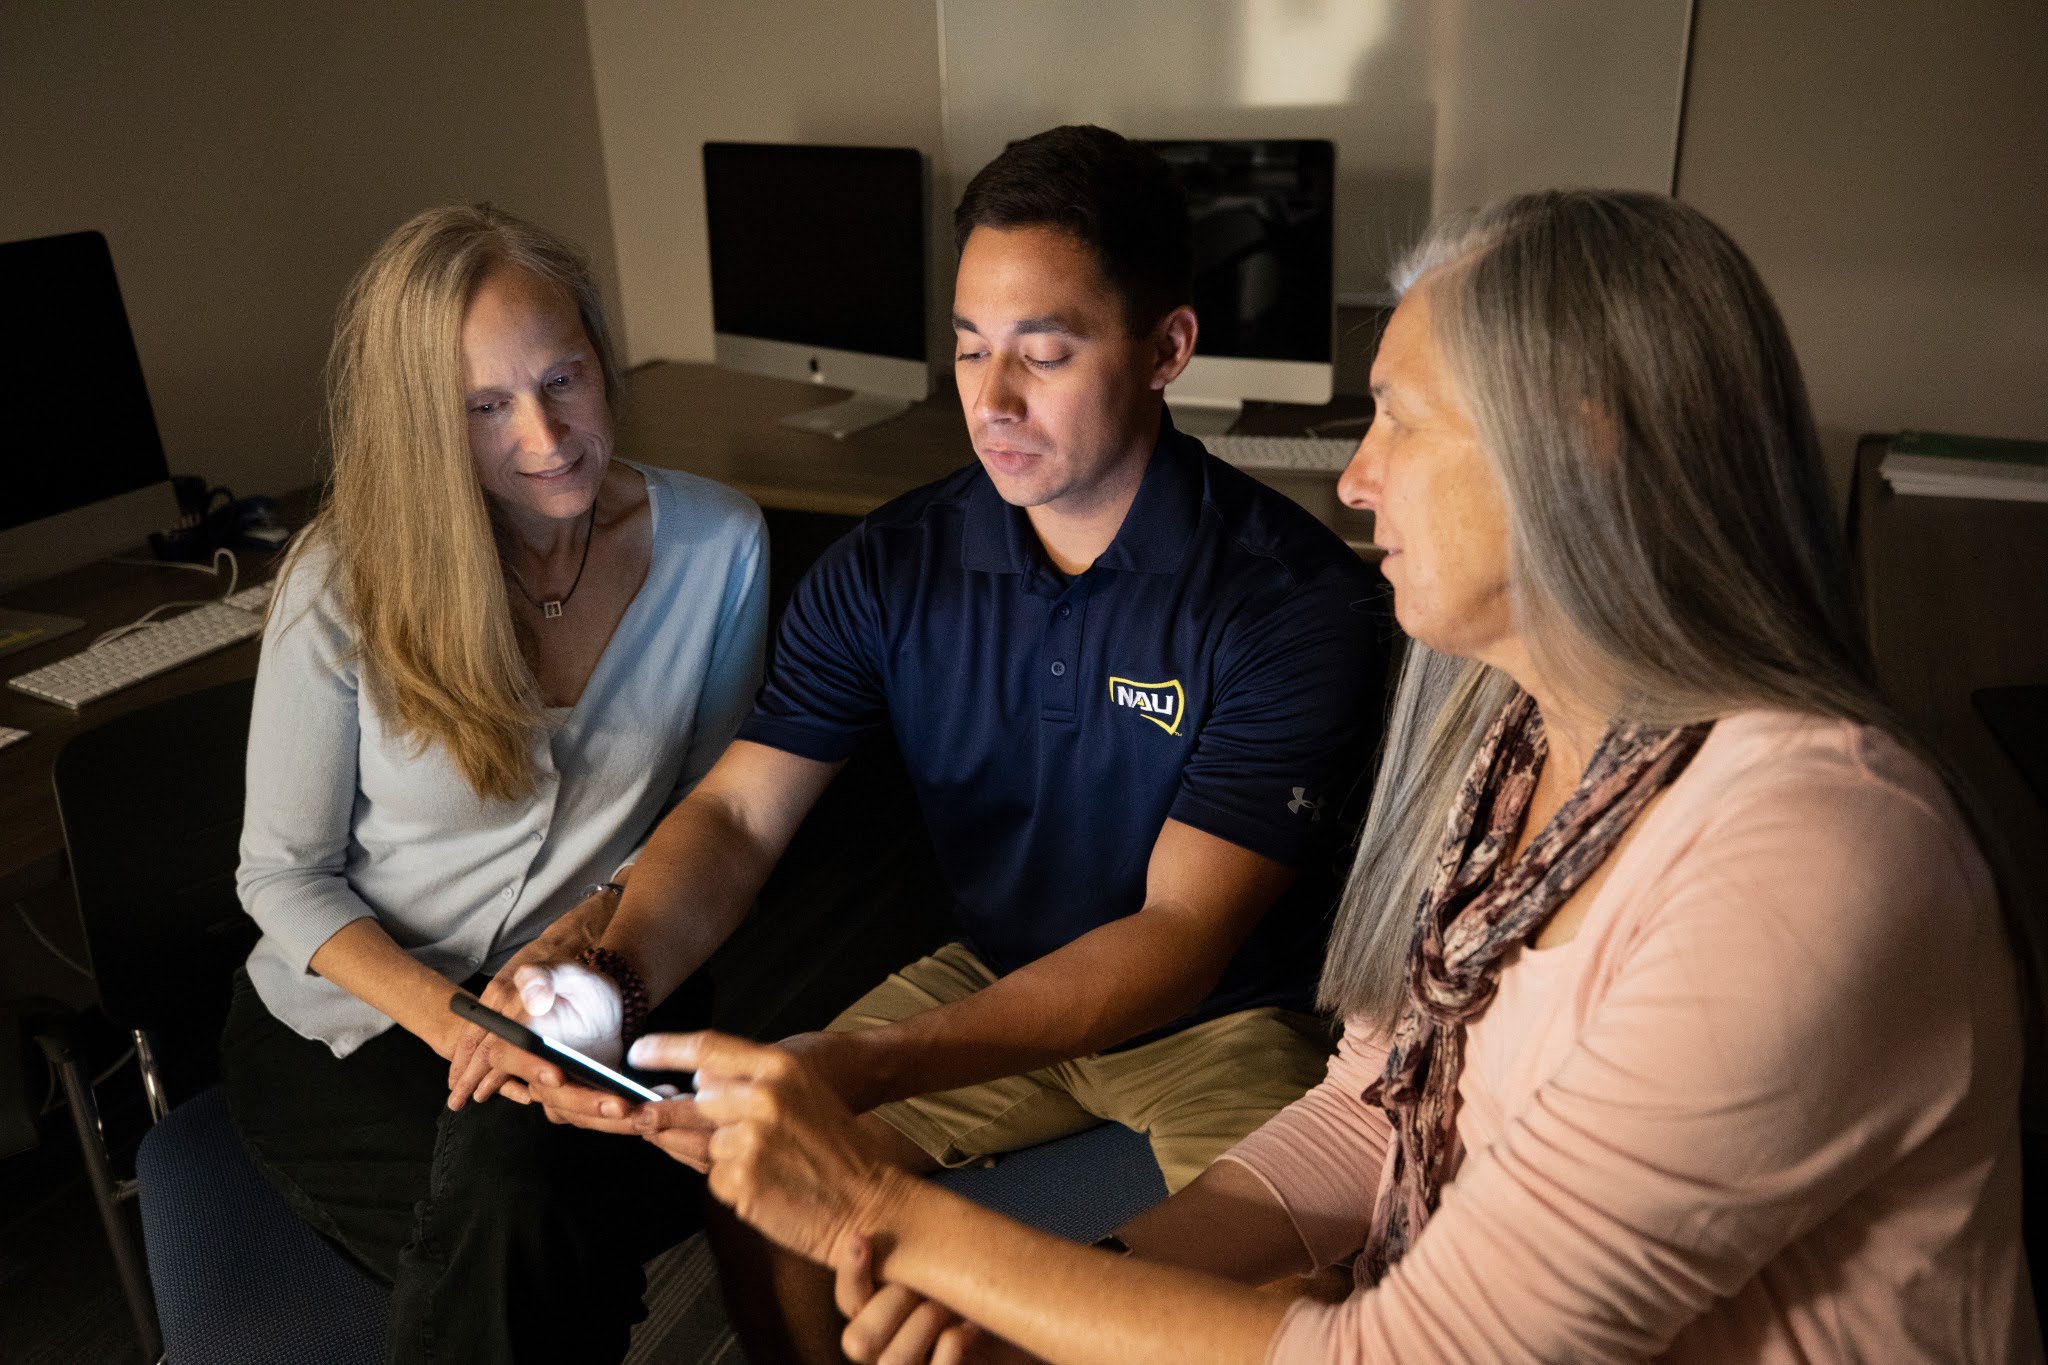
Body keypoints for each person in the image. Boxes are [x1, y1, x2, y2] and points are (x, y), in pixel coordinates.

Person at [637, 189, 2042, 1364]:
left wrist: (924, 1229)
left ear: (1584, 437)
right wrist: (1065, 1292)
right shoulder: (1509, 738)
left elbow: (1411, 1355)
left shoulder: (1810, 854)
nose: (1357, 477)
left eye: (1401, 421)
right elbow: (1377, 1112)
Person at [480, 125, 1389, 1363]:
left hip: (1221, 1017)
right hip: (995, 968)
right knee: (759, 1188)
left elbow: (1178, 941)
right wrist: (609, 978)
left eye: (1043, 353)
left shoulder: (1287, 604)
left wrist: (860, 1064)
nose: (989, 399)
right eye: (967, 346)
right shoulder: (890, 564)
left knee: (1313, 1295)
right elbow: (743, 815)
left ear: (1167, 348)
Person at [222, 203, 768, 1364]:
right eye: (485, 406)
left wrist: (584, 935)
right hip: (359, 1020)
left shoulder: (721, 545)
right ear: (423, 422)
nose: (547, 433)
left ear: (600, 356)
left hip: (604, 979)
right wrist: (462, 1022)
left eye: (563, 379)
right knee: (534, 1216)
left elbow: (709, 814)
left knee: (517, 1220)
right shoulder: (344, 578)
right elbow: (281, 875)